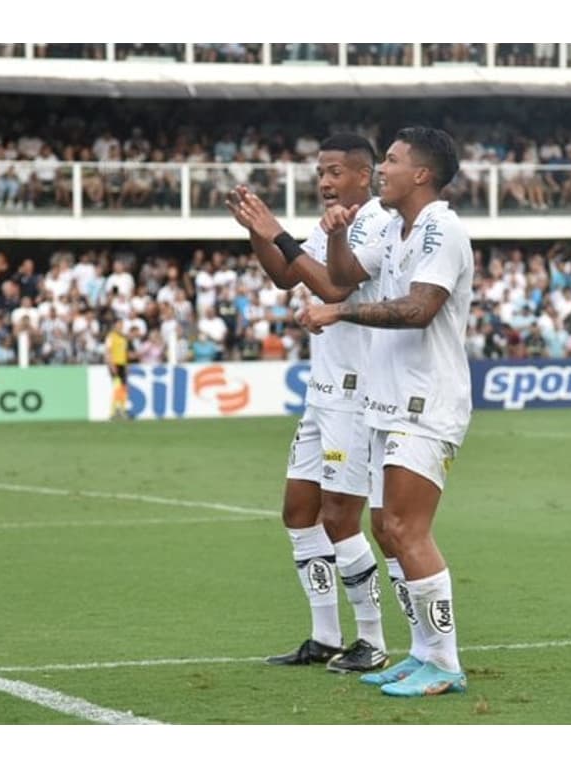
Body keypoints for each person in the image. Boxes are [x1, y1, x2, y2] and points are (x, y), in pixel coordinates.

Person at [298, 126, 473, 697]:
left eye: (392, 161)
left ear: (421, 173)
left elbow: (420, 309)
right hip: (387, 401)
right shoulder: (400, 230)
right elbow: (343, 276)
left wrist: (341, 315)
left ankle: (444, 662)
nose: (382, 170)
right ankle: (421, 651)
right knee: (386, 529)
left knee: (406, 528)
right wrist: (342, 235)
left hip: (426, 401)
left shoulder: (440, 228)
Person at [226, 133, 393, 674]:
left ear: (363, 176)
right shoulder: (331, 226)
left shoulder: (372, 224)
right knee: (299, 513)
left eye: (336, 171)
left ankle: (371, 638)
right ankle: (325, 634)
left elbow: (334, 290)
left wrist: (278, 231)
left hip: (356, 393)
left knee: (341, 519)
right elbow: (285, 276)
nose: (324, 180)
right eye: (321, 170)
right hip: (322, 394)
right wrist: (259, 234)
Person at [105, 318, 132, 419]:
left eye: (121, 324)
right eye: (119, 324)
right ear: (114, 325)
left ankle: (122, 409)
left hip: (122, 364)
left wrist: (127, 365)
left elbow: (125, 353)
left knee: (123, 389)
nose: (120, 326)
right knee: (117, 388)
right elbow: (108, 351)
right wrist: (111, 365)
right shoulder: (111, 337)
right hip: (115, 364)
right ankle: (114, 411)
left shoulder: (124, 338)